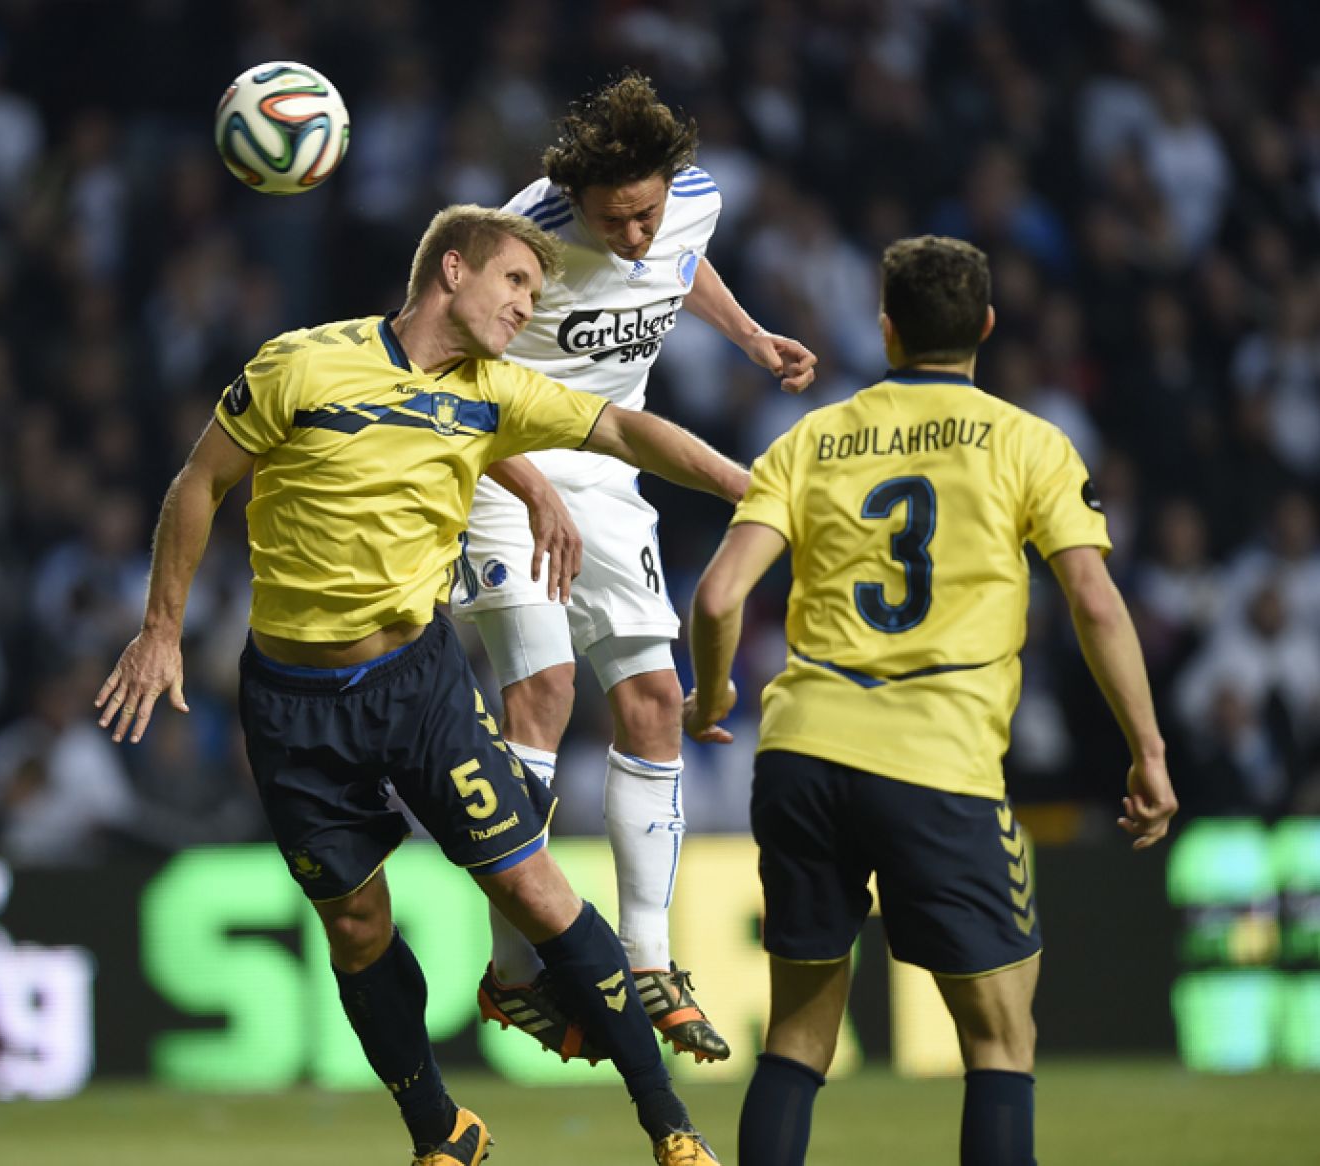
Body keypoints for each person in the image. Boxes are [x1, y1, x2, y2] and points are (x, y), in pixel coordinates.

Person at [96, 205, 739, 1166]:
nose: (527, 305)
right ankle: (440, 1133)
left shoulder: (496, 393)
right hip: (290, 703)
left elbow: (630, 433)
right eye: (516, 282)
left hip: (419, 687)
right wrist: (159, 632)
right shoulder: (301, 364)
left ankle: (671, 1129)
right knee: (356, 927)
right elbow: (200, 482)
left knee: (534, 888)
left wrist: (755, 490)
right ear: (452, 271)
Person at [682, 236, 1178, 1165]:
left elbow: (716, 595)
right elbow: (1095, 603)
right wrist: (1146, 752)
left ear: (885, 329)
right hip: (936, 760)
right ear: (986, 326)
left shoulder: (812, 437)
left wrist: (710, 694)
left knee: (795, 1036)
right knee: (998, 1040)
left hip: (801, 753)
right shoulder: (1027, 441)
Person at [450, 74, 816, 1064]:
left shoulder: (689, 206)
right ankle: (511, 968)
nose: (636, 236)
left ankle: (648, 963)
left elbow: (677, 261)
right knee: (545, 690)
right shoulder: (517, 234)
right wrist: (523, 483)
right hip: (503, 464)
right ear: (574, 204)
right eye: (615, 222)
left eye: (646, 212)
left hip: (610, 465)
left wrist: (744, 335)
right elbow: (447, 365)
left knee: (654, 698)